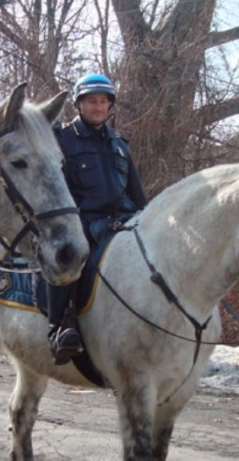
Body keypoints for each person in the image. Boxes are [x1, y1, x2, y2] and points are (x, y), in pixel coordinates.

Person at [47, 73, 148, 364]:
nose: (99, 107)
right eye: (92, 101)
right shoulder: (63, 140)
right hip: (82, 220)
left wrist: (150, 219)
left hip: (124, 219)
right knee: (70, 255)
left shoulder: (119, 144)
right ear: (79, 104)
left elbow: (137, 194)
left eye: (104, 101)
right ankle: (60, 326)